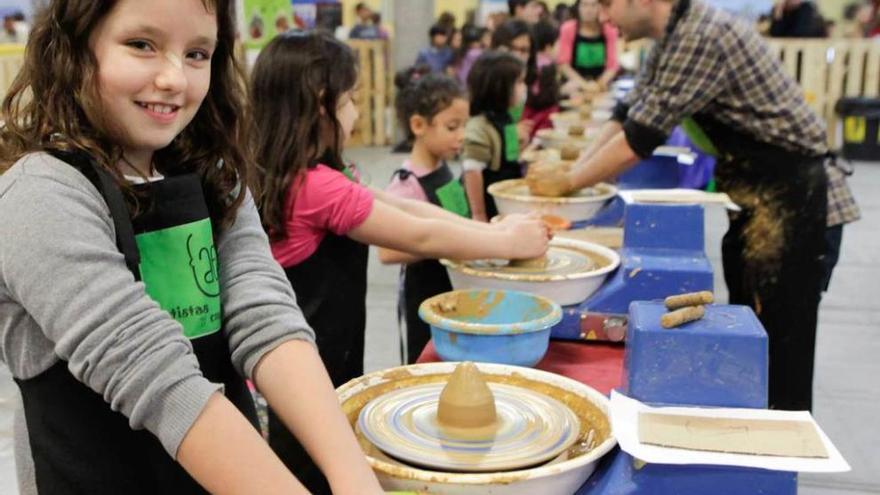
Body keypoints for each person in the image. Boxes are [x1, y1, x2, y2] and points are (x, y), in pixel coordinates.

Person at [0, 1, 384, 494]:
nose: (173, 79)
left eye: (197, 53)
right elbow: (156, 376)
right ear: (73, 47)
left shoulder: (214, 176)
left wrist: (352, 474)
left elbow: (264, 313)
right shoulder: (38, 195)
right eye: (142, 45)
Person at [249, 31, 549, 494]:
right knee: (313, 474)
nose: (354, 113)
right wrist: (503, 239)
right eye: (350, 100)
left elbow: (411, 210)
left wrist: (495, 235)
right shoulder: (314, 187)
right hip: (305, 374)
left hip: (320, 360)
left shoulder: (303, 173)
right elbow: (418, 234)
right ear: (318, 106)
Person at [527, 0, 860, 412]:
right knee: (751, 338)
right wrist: (575, 173)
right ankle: (749, 437)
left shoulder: (700, 35)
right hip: (762, 203)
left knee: (779, 355)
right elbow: (628, 112)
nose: (605, 17)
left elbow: (640, 139)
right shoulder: (670, 38)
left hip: (797, 203)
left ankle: (773, 459)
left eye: (608, 4)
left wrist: (570, 181)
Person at [381, 72, 496, 363]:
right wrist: (441, 243)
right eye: (452, 127)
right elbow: (387, 250)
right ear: (418, 125)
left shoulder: (443, 170)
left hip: (453, 287)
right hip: (425, 294)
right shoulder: (407, 183)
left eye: (464, 126)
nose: (462, 136)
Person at [462, 51, 529, 221]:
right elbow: (472, 171)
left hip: (506, 198)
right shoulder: (479, 126)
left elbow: (509, 156)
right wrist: (478, 214)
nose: (524, 87)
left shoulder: (506, 117)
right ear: (499, 88)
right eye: (520, 82)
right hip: (489, 204)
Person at [557, 0, 620, 93]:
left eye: (593, 5)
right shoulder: (568, 29)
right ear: (578, 7)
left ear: (600, 8)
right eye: (584, 5)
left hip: (600, 85)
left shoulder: (609, 30)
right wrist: (584, 85)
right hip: (574, 85)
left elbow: (612, 65)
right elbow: (563, 64)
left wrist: (599, 84)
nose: (588, 10)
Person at [522, 20, 562, 138]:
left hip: (527, 112)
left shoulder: (531, 61)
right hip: (544, 116)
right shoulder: (548, 65)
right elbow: (549, 95)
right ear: (549, 46)